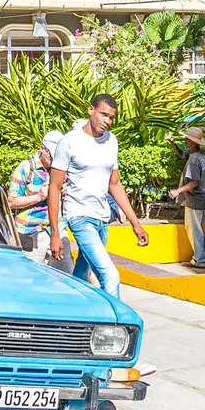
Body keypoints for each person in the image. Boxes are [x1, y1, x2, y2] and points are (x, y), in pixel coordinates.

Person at [48, 93, 150, 296]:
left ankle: (73, 318)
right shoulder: (69, 141)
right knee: (110, 275)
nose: (107, 121)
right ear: (90, 110)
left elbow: (115, 184)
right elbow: (55, 187)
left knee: (81, 274)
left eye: (111, 117)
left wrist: (135, 224)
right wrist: (55, 233)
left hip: (102, 219)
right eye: (103, 115)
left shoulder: (111, 141)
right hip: (79, 217)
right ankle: (116, 325)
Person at [166, 126, 205, 270]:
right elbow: (182, 155)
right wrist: (173, 143)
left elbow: (194, 182)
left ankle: (199, 260)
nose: (185, 140)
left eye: (187, 139)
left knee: (194, 231)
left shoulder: (194, 161)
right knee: (202, 230)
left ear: (193, 143)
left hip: (196, 201)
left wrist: (177, 191)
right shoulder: (200, 155)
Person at [7, 131, 59, 260]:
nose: (54, 160)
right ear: (42, 149)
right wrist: (39, 197)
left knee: (65, 273)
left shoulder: (59, 169)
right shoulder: (25, 168)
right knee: (32, 276)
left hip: (55, 229)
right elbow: (11, 202)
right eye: (51, 156)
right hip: (31, 232)